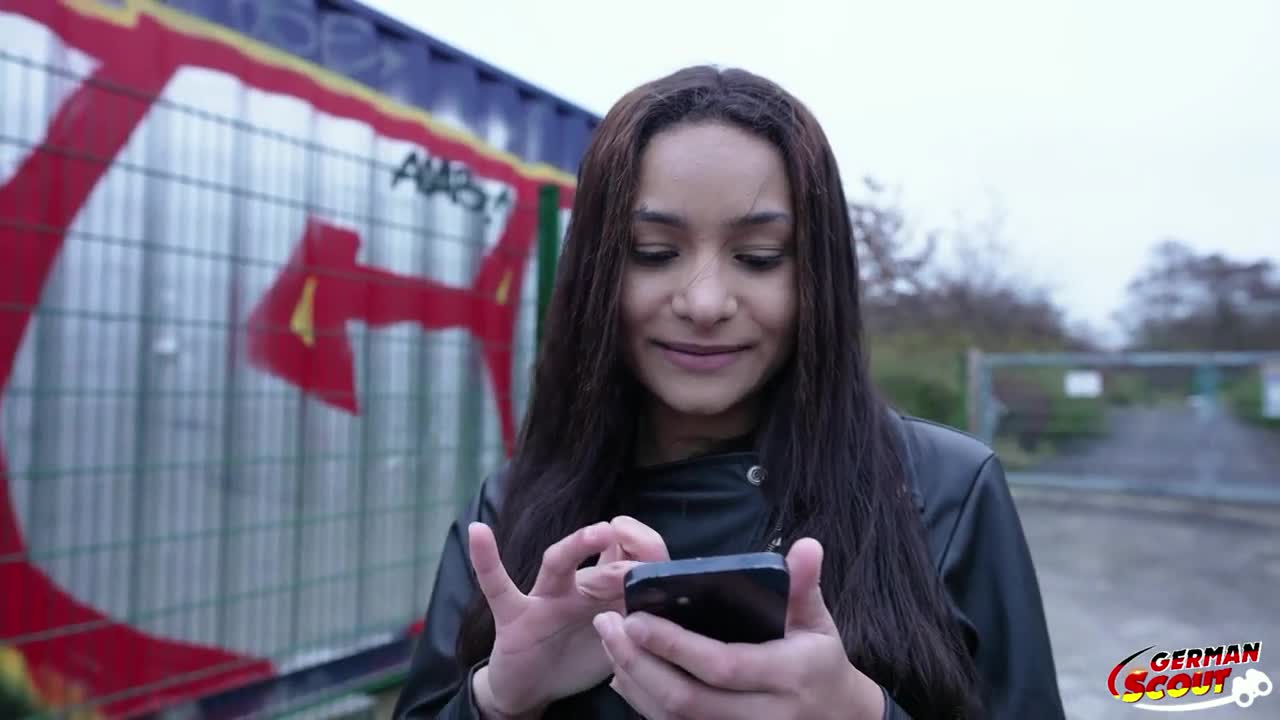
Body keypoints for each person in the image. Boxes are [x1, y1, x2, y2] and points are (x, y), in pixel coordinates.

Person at [392, 65, 1066, 720]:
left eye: (758, 258)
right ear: (596, 272)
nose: (706, 302)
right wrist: (499, 700)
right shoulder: (512, 505)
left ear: (817, 275)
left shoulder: (944, 490)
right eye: (654, 252)